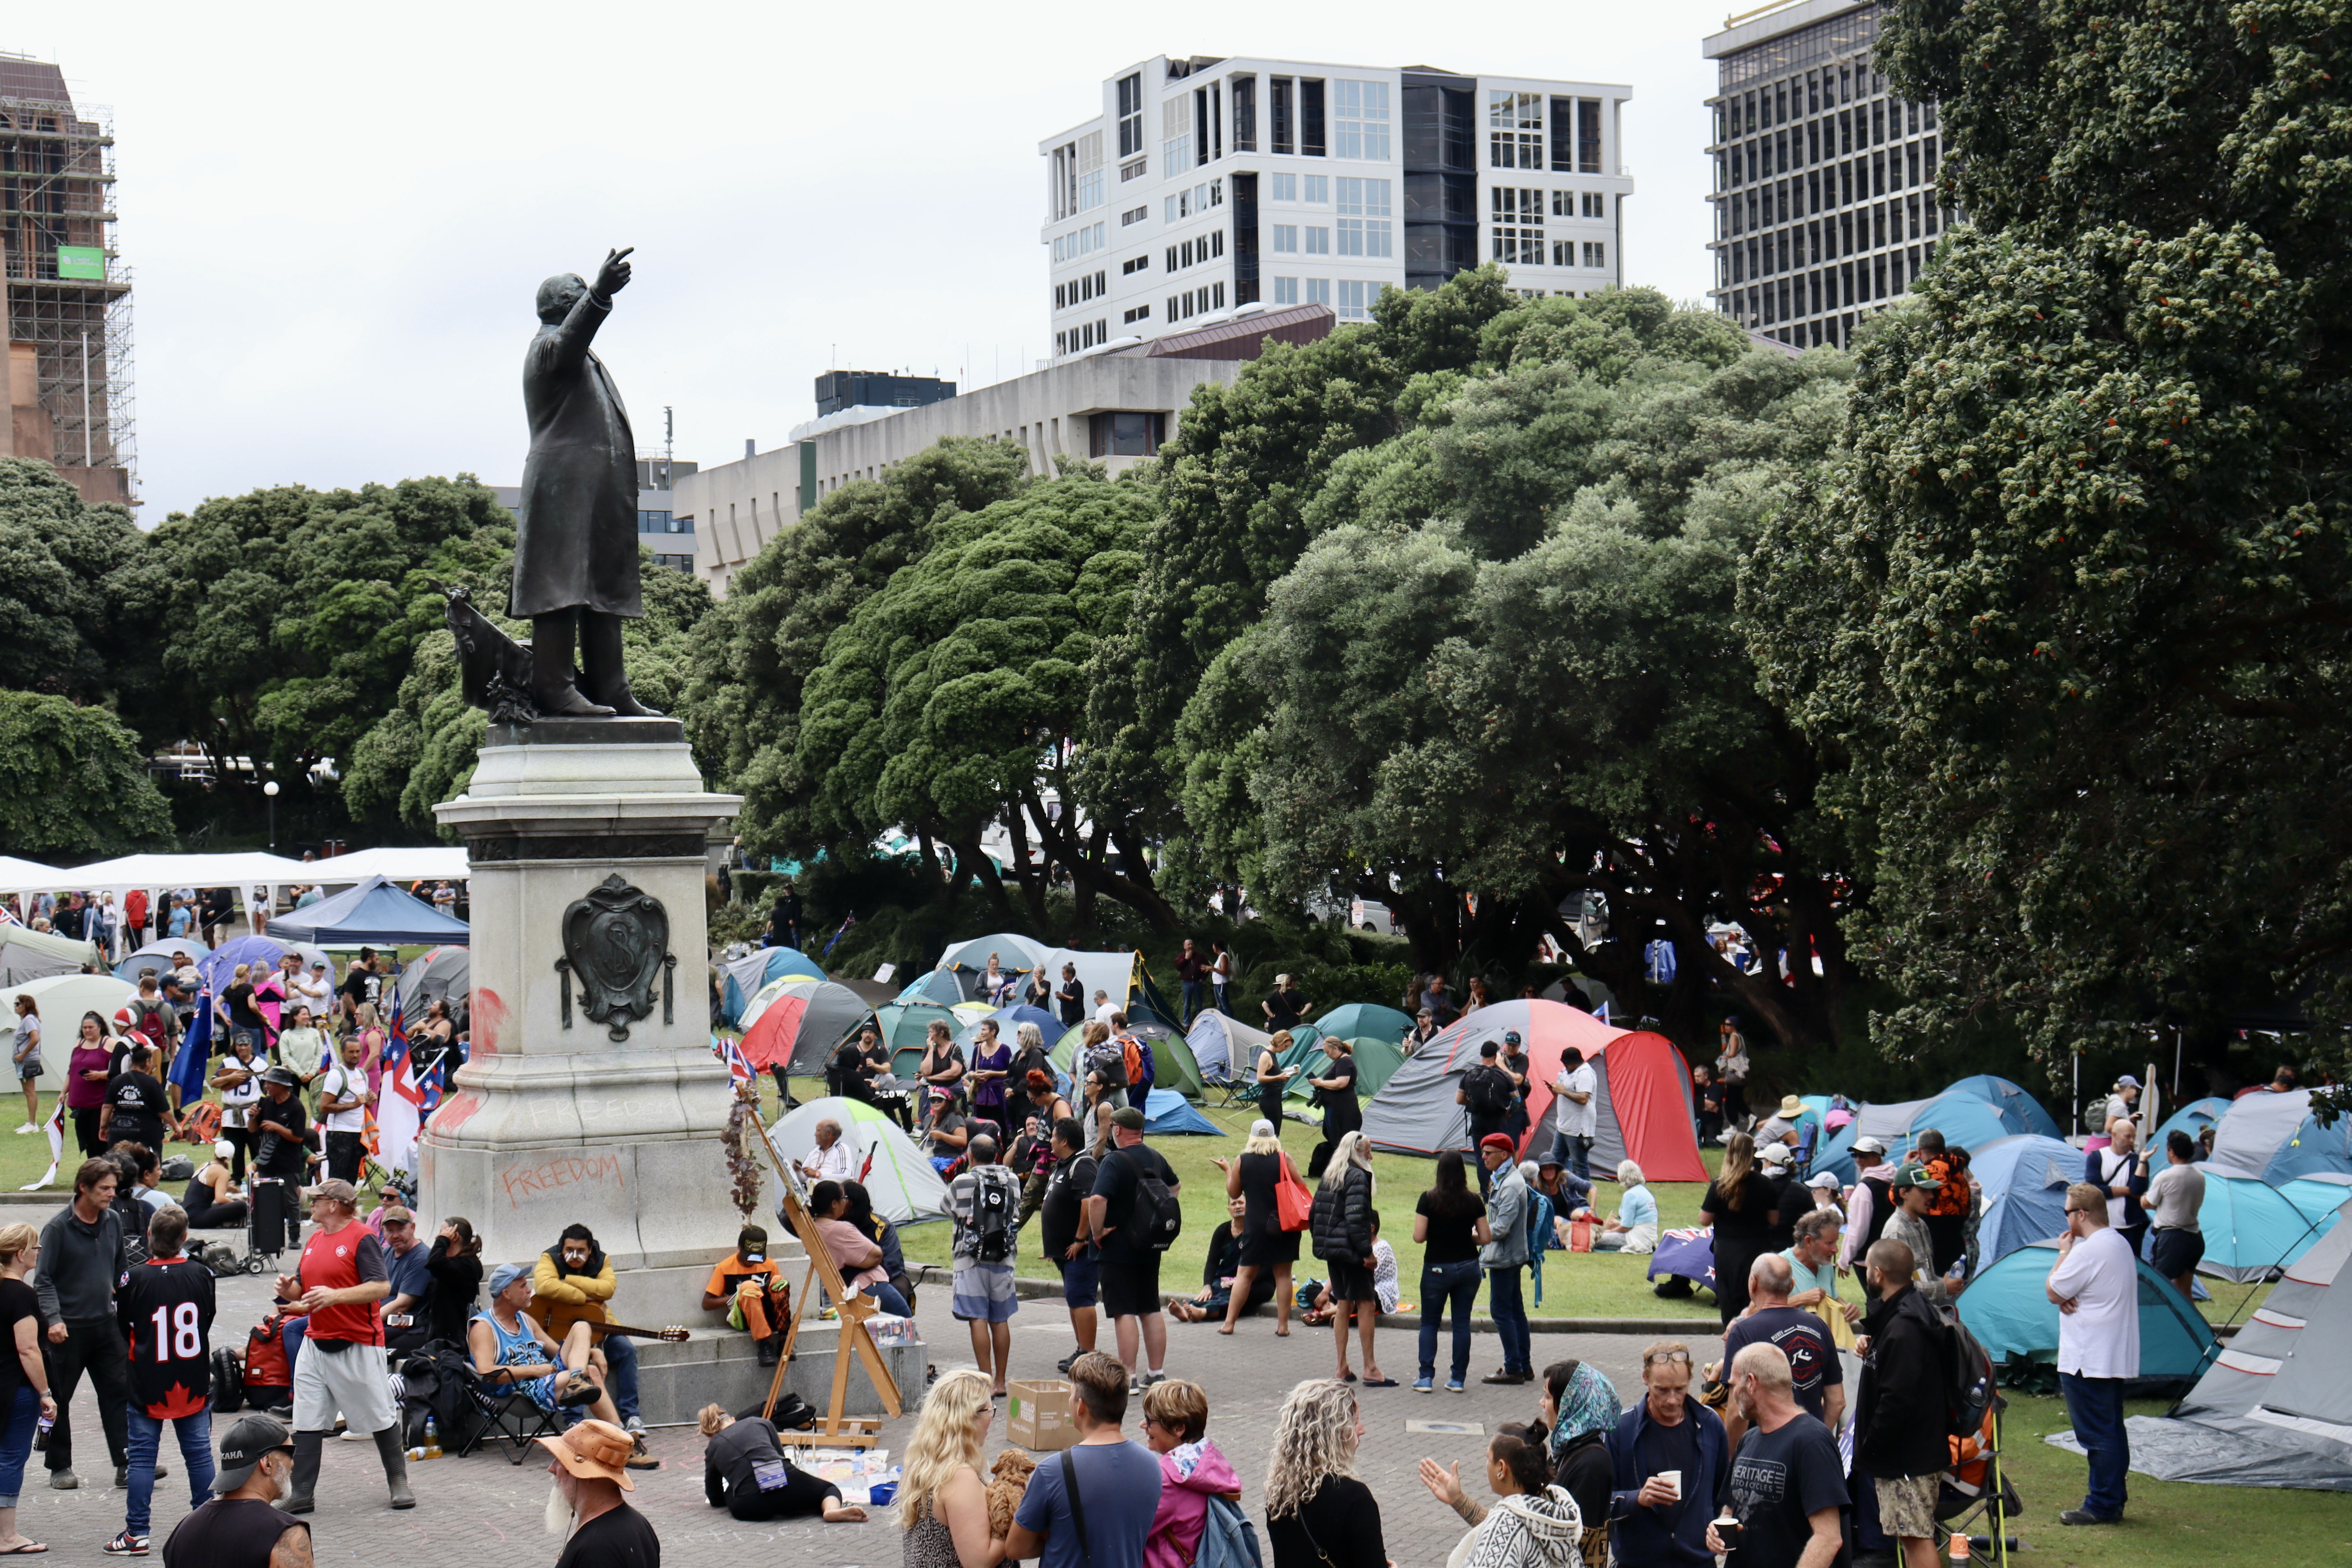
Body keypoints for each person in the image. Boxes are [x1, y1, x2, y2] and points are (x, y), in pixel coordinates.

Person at [274, 1178, 412, 1512]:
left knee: (380, 1413)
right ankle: (302, 1492)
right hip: (316, 1341)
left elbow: (381, 1287)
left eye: (317, 1199)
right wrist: (289, 1291)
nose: (312, 1204)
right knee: (306, 1418)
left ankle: (398, 1481)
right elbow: (306, 1291)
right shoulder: (314, 1240)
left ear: (334, 1205)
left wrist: (336, 1296)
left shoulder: (361, 1237)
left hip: (358, 1341)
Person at [112, 1206, 219, 1557]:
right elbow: (206, 1319)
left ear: (148, 1237)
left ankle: (137, 1533)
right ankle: (207, 1531)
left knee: (142, 1458)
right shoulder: (203, 1274)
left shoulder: (133, 1278)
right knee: (199, 1455)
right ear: (184, 1238)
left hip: (149, 1378)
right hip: (190, 1375)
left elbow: (124, 1323)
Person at [1005, 1349, 1162, 1568]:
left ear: (1081, 1407)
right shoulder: (1151, 1465)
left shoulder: (1054, 1471)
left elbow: (1016, 1548)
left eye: (1071, 1395)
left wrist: (1056, 1538)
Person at [34, 1156, 132, 1490]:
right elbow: (43, 1280)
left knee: (119, 1393)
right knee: (59, 1397)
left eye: (113, 1189)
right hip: (67, 1332)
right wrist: (54, 1319)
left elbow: (122, 1269)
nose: (111, 1194)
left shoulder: (113, 1221)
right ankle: (59, 1466)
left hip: (106, 1326)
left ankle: (125, 1462)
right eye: (104, 1189)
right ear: (83, 1188)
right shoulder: (58, 1228)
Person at [2047, 1180, 2139, 1527]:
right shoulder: (2119, 1243)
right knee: (2112, 1428)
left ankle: (2101, 1503)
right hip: (2111, 1353)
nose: (2066, 1219)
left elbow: (2053, 1291)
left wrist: (2063, 1254)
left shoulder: (2086, 1251)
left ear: (2081, 1215)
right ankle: (2112, 1497)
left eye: (2067, 1212)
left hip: (2089, 1356)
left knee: (2098, 1434)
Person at [1707, 1343, 1849, 1568]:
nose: (1732, 1393)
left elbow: (1829, 1539)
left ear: (1751, 1383)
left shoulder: (1812, 1442)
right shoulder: (1749, 1439)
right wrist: (1720, 1527)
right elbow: (1731, 1509)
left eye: (1733, 1385)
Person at [1853, 1237, 1947, 1568]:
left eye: (1867, 1268)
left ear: (1878, 1274)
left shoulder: (1904, 1328)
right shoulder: (1903, 1317)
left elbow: (1898, 1399)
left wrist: (1872, 1444)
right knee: (1909, 1536)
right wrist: (1873, 1345)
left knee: (1916, 1537)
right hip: (1909, 1453)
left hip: (1907, 1457)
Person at [471, 1261, 637, 1441]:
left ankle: (577, 1382)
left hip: (546, 1377)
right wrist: (534, 1371)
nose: (529, 1290)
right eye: (523, 1286)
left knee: (581, 1326)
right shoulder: (484, 1327)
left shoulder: (525, 1319)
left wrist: (592, 1352)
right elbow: (487, 1373)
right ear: (506, 1294)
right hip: (522, 1387)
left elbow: (557, 1350)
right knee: (592, 1373)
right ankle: (625, 1441)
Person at [1607, 1341, 1726, 1568]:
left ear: (1690, 1380)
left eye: (1680, 1389)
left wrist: (1714, 1527)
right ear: (1645, 1379)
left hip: (1697, 1561)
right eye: (1661, 1390)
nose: (1672, 1399)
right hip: (1639, 1562)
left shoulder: (1710, 1424)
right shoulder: (1622, 1428)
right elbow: (1600, 1501)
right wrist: (1637, 1499)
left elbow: (1722, 1494)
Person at [1088, 1105, 1180, 1389]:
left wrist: (1098, 1232)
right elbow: (1174, 1188)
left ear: (1117, 1130)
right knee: (1150, 1308)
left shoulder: (1114, 1161)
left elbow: (1097, 1200)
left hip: (1118, 1246)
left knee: (1124, 1311)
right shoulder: (1156, 1157)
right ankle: (1156, 1373)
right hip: (1149, 1244)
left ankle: (1127, 1376)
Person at [531, 1223, 646, 1441]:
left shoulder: (602, 1260)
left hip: (600, 1324)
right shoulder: (549, 1258)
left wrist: (569, 1280)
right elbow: (545, 1286)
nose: (574, 1256)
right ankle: (573, 1419)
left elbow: (607, 1289)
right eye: (569, 1251)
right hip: (561, 1331)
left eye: (581, 1251)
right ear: (561, 1248)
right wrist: (586, 1299)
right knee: (577, 1356)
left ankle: (631, 1415)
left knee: (627, 1350)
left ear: (590, 1250)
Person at [1716, 1254, 1843, 1449]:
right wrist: (1814, 1440)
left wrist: (1732, 1460)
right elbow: (1837, 1401)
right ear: (1792, 1286)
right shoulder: (1819, 1325)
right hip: (1811, 1449)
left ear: (1753, 1283)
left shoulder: (1744, 1332)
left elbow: (1737, 1413)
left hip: (1763, 1454)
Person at [1262, 1379, 1386, 1568]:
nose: (1362, 1430)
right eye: (1355, 1422)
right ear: (1335, 1433)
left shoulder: (1279, 1493)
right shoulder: (1356, 1499)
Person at [1417, 1429, 1582, 1568]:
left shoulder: (1503, 1527)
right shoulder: (1555, 1512)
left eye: (1489, 1459)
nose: (1487, 1465)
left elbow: (1504, 1528)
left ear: (1502, 1468)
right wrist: (1458, 1500)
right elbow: (1516, 1520)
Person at [160, 1412, 306, 1568]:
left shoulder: (183, 1530)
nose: (293, 1463)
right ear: (267, 1463)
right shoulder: (286, 1533)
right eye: (290, 1453)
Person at [897, 1367, 1007, 1568]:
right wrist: (1013, 1524)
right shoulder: (960, 1477)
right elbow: (979, 1563)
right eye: (989, 1411)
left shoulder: (923, 1464)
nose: (991, 1418)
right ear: (967, 1419)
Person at [1306, 1129, 1386, 1385]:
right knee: (1365, 1303)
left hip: (1333, 1251)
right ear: (1358, 1153)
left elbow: (1314, 1215)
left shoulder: (1330, 1176)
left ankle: (1341, 1366)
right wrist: (1367, 1253)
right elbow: (1356, 1220)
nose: (1371, 1157)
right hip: (1353, 1253)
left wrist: (1325, 1242)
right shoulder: (1358, 1177)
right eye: (1369, 1151)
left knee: (1342, 1304)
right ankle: (1370, 1368)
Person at [697, 1404, 866, 1522]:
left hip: (749, 1506)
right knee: (828, 1489)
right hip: (782, 1480)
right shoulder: (759, 1422)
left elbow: (715, 1496)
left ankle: (783, 1506)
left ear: (710, 1435)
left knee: (732, 1491)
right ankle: (830, 1510)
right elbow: (781, 1457)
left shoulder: (713, 1447)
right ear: (732, 1420)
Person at [947, 1134, 1020, 1396]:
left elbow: (948, 1207)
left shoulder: (963, 1181)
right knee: (1000, 1319)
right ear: (997, 1155)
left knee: (977, 1318)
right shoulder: (1011, 1179)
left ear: (971, 1155)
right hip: (1004, 1257)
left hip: (970, 1259)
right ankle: (1001, 1382)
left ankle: (986, 1382)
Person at [1412, 1149, 1490, 1393]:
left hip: (1436, 1267)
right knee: (1461, 1324)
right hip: (1468, 1267)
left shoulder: (1428, 1199)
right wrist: (1467, 1238)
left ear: (1440, 1171)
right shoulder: (1474, 1200)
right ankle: (1458, 1378)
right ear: (1463, 1172)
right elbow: (1486, 1237)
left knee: (1429, 1323)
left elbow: (1419, 1237)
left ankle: (1426, 1377)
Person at [539, 1417, 664, 1568]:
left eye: (561, 1460)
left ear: (586, 1474)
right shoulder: (638, 1523)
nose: (552, 1468)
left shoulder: (595, 1551)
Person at [1140, 1378, 1237, 1568]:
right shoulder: (1207, 1463)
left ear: (1178, 1429)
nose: (1143, 1425)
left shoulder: (1168, 1481)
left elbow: (1130, 1530)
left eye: (1150, 1420)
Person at [1217, 1118, 1299, 1336]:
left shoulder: (1243, 1160)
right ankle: (1283, 1327)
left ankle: (1229, 1324)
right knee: (1283, 1275)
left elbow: (1234, 1194)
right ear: (1274, 1137)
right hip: (1284, 1224)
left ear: (1252, 1138)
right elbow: (1300, 1185)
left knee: (1245, 1274)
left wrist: (1228, 1172)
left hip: (1255, 1226)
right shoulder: (1284, 1158)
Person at [0, 1224, 53, 1554]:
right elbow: (28, 1350)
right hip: (15, 1390)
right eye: (36, 1248)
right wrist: (46, 1393)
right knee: (10, 1458)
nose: (38, 1253)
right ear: (21, 1254)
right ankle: (7, 1536)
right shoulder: (22, 1294)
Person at [1040, 1117, 1102, 1371]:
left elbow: (1088, 1203)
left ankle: (1088, 1355)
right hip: (1065, 1252)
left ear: (1065, 1141)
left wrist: (1080, 1239)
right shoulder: (1062, 1165)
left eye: (1054, 1137)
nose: (1050, 1141)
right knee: (1074, 1299)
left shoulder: (1083, 1164)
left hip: (1081, 1251)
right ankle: (1081, 1350)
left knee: (1082, 1299)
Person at [1701, 1131, 1781, 1324]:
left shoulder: (1720, 1185)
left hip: (1728, 1252)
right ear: (1752, 1153)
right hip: (1757, 1250)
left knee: (1729, 1302)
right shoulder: (1765, 1184)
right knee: (1755, 1300)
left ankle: (1731, 1339)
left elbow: (1704, 1219)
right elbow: (1774, 1220)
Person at [809, 1181, 914, 1316]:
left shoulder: (812, 1227)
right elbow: (876, 1255)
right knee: (906, 1323)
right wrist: (861, 1263)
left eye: (846, 1199)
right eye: (843, 1199)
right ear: (834, 1204)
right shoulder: (842, 1229)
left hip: (852, 1286)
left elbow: (894, 1264)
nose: (844, 1202)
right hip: (866, 1285)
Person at [1478, 1134, 1534, 1385]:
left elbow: (1501, 1228)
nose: (1484, 1157)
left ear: (1505, 1155)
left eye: (1489, 1153)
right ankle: (1524, 1365)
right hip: (1510, 1256)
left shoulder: (1510, 1185)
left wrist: (1475, 1235)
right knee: (1515, 1311)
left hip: (1505, 1258)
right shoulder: (1505, 1179)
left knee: (1501, 1311)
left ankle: (1514, 1368)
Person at [1166, 1196, 1276, 1324]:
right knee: (1214, 1291)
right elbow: (1212, 1261)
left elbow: (1269, 1266)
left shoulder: (1260, 1231)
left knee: (1240, 1292)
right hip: (1226, 1280)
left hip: (1257, 1282)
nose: (1238, 1207)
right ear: (1229, 1210)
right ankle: (1187, 1310)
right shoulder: (1222, 1231)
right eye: (1233, 1204)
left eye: (1241, 1203)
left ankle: (1203, 1313)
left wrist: (1242, 1281)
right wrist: (1207, 1286)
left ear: (1250, 1206)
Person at [1878, 1164, 1965, 1308]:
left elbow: (1926, 1276)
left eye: (1931, 1191)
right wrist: (1943, 1287)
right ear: (1903, 1193)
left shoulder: (1921, 1225)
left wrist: (1946, 1283)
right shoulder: (1896, 1231)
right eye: (1923, 1191)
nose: (1931, 1196)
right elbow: (1898, 1287)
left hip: (1926, 1313)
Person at [701, 1224, 788, 1364]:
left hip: (768, 1316)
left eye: (757, 1258)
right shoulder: (725, 1267)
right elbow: (707, 1304)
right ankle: (765, 1343)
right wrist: (738, 1296)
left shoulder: (770, 1265)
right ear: (739, 1248)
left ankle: (784, 1340)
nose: (752, 1262)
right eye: (749, 1256)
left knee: (779, 1281)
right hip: (744, 1318)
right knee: (748, 1286)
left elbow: (779, 1295)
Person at [249, 1069, 311, 1256]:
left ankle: (294, 1237)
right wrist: (253, 1117)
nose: (266, 1087)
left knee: (290, 1200)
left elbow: (299, 1138)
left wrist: (278, 1128)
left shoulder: (296, 1107)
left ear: (282, 1086)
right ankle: (269, 1238)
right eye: (266, 1083)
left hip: (288, 1162)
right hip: (266, 1162)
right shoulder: (266, 1103)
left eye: (270, 1084)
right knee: (266, 1201)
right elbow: (253, 1129)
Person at [1782, 1209, 1858, 1350]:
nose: (1836, 1249)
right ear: (1809, 1241)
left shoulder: (1826, 1264)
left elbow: (1832, 1297)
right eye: (1829, 1244)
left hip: (1824, 1351)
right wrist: (1801, 1300)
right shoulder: (1779, 1266)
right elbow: (1756, 1312)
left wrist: (1846, 1308)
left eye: (1836, 1242)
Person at [2145, 1128, 2207, 1297]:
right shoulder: (2200, 1176)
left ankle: (2157, 1322)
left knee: (2157, 1287)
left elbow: (2149, 1203)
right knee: (2184, 1290)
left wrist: (2143, 1198)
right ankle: (2192, 1323)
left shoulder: (2166, 1176)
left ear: (2171, 1152)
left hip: (2172, 1238)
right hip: (2194, 1237)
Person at [2085, 1117, 2150, 1261]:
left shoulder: (2137, 1161)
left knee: (2131, 1264)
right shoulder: (2097, 1157)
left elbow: (2138, 1189)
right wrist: (2127, 1191)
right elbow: (2095, 1191)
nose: (2132, 1141)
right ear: (2114, 1135)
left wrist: (2143, 1162)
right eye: (2128, 1137)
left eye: (2134, 1137)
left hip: (2131, 1227)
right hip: (2103, 1225)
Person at [1458, 1042, 1517, 1197]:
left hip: (1478, 1122)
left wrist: (1473, 1102)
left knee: (1482, 1158)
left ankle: (1486, 1193)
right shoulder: (1504, 1076)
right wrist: (1509, 1111)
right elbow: (1517, 1101)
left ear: (1481, 1055)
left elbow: (1459, 1099)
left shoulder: (1469, 1075)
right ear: (1497, 1056)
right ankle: (1502, 1190)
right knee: (1503, 1156)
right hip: (1499, 1122)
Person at [102, 1042, 176, 1156]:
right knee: (148, 1168)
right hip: (146, 1134)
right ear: (147, 1062)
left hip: (119, 1132)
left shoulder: (117, 1081)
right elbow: (164, 1111)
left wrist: (103, 1126)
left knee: (120, 1166)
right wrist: (176, 1127)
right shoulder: (152, 1082)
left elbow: (107, 1107)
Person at [376, 1206, 432, 1354]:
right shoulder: (385, 1253)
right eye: (390, 1231)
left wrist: (368, 1321)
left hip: (404, 1325)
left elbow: (402, 1304)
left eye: (401, 1229)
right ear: (383, 1232)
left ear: (412, 1228)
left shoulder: (421, 1257)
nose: (395, 1236)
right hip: (381, 1319)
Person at [1305, 1038, 1360, 1178]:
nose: (1327, 1055)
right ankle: (1333, 1169)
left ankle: (1345, 1171)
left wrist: (1321, 1082)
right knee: (1333, 1138)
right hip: (1334, 1107)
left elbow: (1341, 1083)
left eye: (1328, 1052)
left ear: (1336, 1049)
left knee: (1342, 1140)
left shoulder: (1346, 1062)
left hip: (1343, 1109)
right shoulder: (1339, 1062)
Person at [426, 1216, 485, 1347]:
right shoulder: (453, 1265)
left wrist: (443, 1241)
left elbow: (433, 1262)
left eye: (442, 1233)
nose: (438, 1237)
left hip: (452, 1341)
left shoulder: (467, 1265)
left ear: (455, 1237)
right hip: (439, 1333)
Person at [211, 1037, 265, 1182]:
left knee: (256, 1146)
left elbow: (267, 1088)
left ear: (251, 1047)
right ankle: (237, 1176)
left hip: (252, 1113)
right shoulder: (228, 1063)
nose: (242, 1048)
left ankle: (258, 1173)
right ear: (235, 1047)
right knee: (235, 1148)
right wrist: (231, 1077)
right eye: (239, 1045)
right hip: (232, 1112)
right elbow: (214, 1082)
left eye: (246, 1045)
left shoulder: (260, 1064)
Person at [316, 1036, 368, 1185]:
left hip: (358, 1132)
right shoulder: (336, 1075)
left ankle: (348, 1207)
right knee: (337, 1179)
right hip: (339, 1133)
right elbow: (324, 1106)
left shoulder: (362, 1074)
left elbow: (363, 1103)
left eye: (358, 1052)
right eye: (351, 1052)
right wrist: (352, 1105)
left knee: (351, 1179)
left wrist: (369, 1101)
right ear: (343, 1053)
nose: (355, 1055)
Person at [1837, 1138, 1895, 1271]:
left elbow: (1858, 1230)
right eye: (1855, 1156)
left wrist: (1845, 1260)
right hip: (1893, 1253)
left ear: (1876, 1157)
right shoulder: (1894, 1179)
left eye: (1862, 1156)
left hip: (1868, 1259)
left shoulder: (1865, 1189)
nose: (1858, 1160)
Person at [64, 1012, 114, 1160]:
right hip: (80, 1104)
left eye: (91, 1027)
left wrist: (101, 1075)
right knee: (86, 1141)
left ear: (100, 1027)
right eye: (85, 1028)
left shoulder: (109, 1043)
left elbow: (119, 1070)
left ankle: (104, 1171)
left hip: (99, 1103)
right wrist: (63, 1092)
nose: (87, 1030)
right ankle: (94, 1169)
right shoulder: (78, 1043)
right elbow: (71, 1070)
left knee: (99, 1140)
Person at [1549, 1045, 1597, 1183]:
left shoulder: (1585, 1074)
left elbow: (1583, 1099)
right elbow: (1562, 1092)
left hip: (1578, 1130)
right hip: (1564, 1126)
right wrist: (1555, 1090)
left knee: (1579, 1165)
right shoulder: (1566, 1071)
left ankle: (1583, 1197)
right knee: (1554, 1162)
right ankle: (1557, 1192)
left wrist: (1564, 1091)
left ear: (1572, 1062)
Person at [1593, 1160, 1660, 1253]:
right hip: (1648, 1238)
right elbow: (1638, 1221)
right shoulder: (1645, 1192)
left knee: (1594, 1238)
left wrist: (1608, 1232)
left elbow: (1626, 1228)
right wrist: (1619, 1223)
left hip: (1636, 1239)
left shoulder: (1630, 1195)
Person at [183, 1140, 251, 1230]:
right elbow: (220, 1199)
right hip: (197, 1218)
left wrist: (233, 1190)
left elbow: (209, 1185)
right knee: (242, 1205)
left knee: (233, 1202)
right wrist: (239, 1204)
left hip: (186, 1215)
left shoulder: (204, 1166)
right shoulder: (222, 1172)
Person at [274, 1006, 329, 1107]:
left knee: (320, 1103)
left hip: (312, 1075)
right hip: (293, 1074)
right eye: (304, 1014)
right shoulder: (286, 1035)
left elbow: (319, 1054)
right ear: (295, 1017)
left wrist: (312, 1073)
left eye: (308, 1014)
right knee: (291, 1105)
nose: (307, 1017)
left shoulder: (314, 1033)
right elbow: (285, 1057)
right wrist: (301, 1074)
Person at [968, 1020, 1014, 1132]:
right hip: (981, 1093)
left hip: (998, 1094)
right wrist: (975, 1076)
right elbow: (970, 1071)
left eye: (984, 1030)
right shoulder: (978, 1049)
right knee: (981, 1124)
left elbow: (1011, 1073)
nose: (981, 1033)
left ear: (993, 1032)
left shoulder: (1004, 1049)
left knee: (999, 1125)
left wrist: (992, 1074)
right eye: (981, 1030)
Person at [1254, 1030, 1297, 1132]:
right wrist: (1279, 1077)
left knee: (1276, 1130)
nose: (1286, 1049)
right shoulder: (1266, 1056)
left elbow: (1273, 1074)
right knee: (1273, 1132)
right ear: (1279, 1042)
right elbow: (1260, 1078)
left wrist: (1289, 1074)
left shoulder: (1273, 1056)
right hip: (1269, 1099)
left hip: (1276, 1097)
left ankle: (1272, 1149)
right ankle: (1269, 1149)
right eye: (1285, 1046)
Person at [8, 995, 38, 1135]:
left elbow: (35, 1038)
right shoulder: (26, 1020)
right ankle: (30, 1122)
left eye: (18, 1004)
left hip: (27, 1061)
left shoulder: (29, 1020)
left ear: (26, 1005)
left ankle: (32, 1123)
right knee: (27, 1091)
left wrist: (23, 1055)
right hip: (23, 1061)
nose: (16, 1006)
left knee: (30, 1091)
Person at [799, 1117, 858, 1185]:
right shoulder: (815, 1151)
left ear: (829, 1134)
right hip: (812, 1194)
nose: (815, 1134)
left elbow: (845, 1176)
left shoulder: (842, 1149)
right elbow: (804, 1178)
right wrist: (798, 1171)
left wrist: (817, 1174)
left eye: (818, 1131)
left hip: (832, 1194)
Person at [1715, 1019, 1750, 1131]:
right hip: (1739, 1074)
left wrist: (1724, 1058)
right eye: (1725, 1024)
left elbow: (1732, 1054)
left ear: (1734, 1026)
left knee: (1730, 1101)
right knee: (1737, 1100)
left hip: (1734, 1073)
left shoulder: (1735, 1037)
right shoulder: (1738, 1037)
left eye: (1729, 1025)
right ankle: (1751, 1117)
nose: (1726, 1027)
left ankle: (1733, 1126)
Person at [1174, 940, 1209, 1027]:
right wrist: (1186, 959)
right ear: (1184, 947)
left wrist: (1202, 979)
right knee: (1187, 1005)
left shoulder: (1200, 955)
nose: (1190, 946)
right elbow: (1178, 967)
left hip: (1198, 983)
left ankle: (1200, 1023)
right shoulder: (1181, 956)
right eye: (1188, 945)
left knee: (1199, 1005)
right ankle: (1187, 1024)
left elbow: (1208, 968)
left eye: (1192, 944)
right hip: (1187, 983)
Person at [1692, 1064, 1724, 1145]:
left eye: (1699, 1076)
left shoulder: (1715, 1088)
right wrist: (1705, 1106)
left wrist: (1698, 1100)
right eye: (1695, 1076)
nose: (1696, 1079)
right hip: (1699, 1119)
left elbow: (1712, 1106)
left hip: (1713, 1120)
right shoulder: (1694, 1088)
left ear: (1706, 1076)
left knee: (1710, 1143)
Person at [1056, 963, 1086, 1030]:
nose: (1063, 977)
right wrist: (1061, 997)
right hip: (1066, 1015)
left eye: (1064, 975)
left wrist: (1064, 996)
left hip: (1075, 1016)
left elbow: (1078, 999)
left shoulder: (1077, 984)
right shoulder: (1066, 985)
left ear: (1070, 974)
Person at [1209, 943, 1232, 1016]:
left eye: (1213, 947)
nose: (1213, 948)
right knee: (1220, 1005)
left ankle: (1230, 1020)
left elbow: (1224, 971)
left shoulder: (1223, 956)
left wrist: (1213, 969)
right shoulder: (1220, 957)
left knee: (1224, 1005)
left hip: (1221, 983)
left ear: (1217, 947)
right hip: (1217, 984)